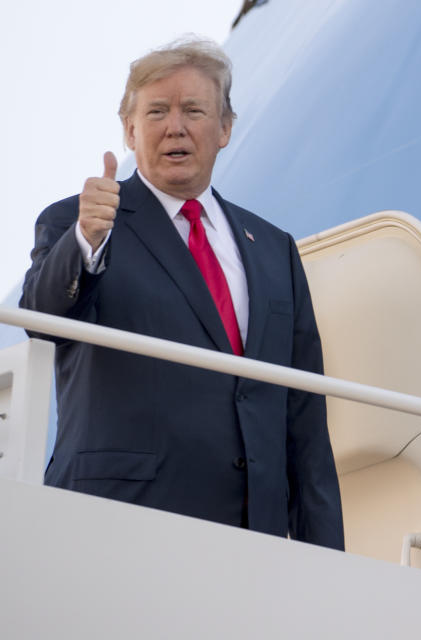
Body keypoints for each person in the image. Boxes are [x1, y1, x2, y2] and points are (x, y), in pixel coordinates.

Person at [19, 38, 344, 550]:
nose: (175, 126)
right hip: (118, 526)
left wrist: (327, 562)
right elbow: (41, 317)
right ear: (129, 129)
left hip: (251, 540)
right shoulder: (79, 222)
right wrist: (86, 240)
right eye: (156, 112)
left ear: (225, 129)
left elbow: (303, 417)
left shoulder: (273, 249)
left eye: (193, 110)